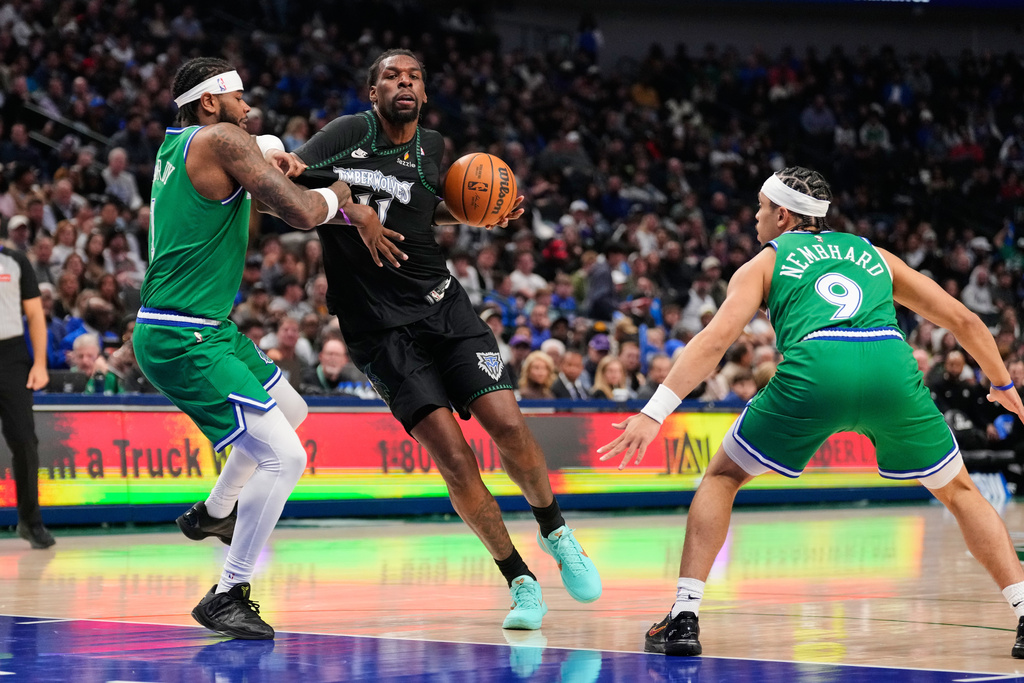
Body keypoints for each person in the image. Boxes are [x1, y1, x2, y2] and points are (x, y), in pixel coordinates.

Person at [597, 166, 1024, 658]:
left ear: (782, 214)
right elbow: (963, 319)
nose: (755, 216)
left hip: (817, 368)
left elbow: (715, 340)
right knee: (959, 490)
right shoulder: (874, 255)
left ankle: (684, 617)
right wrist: (1001, 383)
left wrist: (655, 411)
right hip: (889, 365)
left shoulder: (763, 263)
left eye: (760, 207)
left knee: (722, 477)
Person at [286, 49, 601, 630]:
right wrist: (352, 211)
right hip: (378, 332)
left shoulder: (433, 148)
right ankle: (520, 580)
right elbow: (289, 191)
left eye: (413, 77)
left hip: (443, 308)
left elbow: (424, 210)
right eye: (390, 76)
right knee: (455, 459)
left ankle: (556, 531)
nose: (403, 83)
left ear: (425, 93)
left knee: (507, 424)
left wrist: (478, 214)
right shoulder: (347, 133)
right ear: (373, 90)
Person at [134, 57, 403, 641]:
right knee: (287, 457)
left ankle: (214, 511)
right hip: (183, 333)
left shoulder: (182, 145)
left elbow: (255, 148)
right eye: (238, 97)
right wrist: (339, 195)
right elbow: (303, 211)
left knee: (294, 412)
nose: (247, 106)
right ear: (211, 104)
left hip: (202, 324)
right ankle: (228, 592)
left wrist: (276, 153)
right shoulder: (224, 138)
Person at [0, 242, 55, 549]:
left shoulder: (15, 261)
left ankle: (30, 521)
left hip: (11, 355)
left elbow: (35, 315)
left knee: (24, 440)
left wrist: (40, 363)